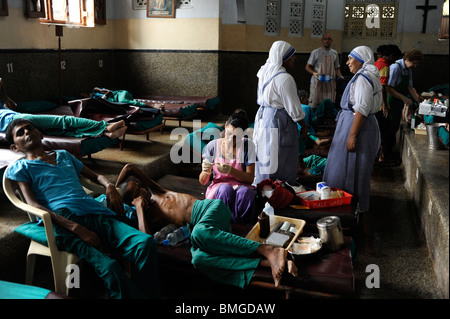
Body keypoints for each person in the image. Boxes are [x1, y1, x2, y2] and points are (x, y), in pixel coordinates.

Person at [5, 119, 159, 299]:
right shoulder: (21, 167)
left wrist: (109, 186)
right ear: (15, 147)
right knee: (110, 267)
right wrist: (76, 228)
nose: (27, 133)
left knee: (145, 243)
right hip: (64, 220)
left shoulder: (63, 155)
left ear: (39, 133)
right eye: (20, 133)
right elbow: (33, 205)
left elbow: (96, 176)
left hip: (94, 211)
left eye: (29, 129)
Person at [115, 163, 298, 289]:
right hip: (206, 232)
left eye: (139, 187)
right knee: (199, 260)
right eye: (136, 193)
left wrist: (112, 188)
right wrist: (138, 208)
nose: (141, 191)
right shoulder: (149, 218)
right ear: (132, 201)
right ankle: (267, 262)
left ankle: (267, 250)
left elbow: (129, 167)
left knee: (198, 233)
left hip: (211, 209)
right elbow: (146, 240)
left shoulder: (157, 191)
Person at [323, 46, 382, 212]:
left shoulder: (363, 78)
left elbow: (362, 108)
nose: (348, 62)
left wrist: (352, 135)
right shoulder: (366, 76)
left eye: (351, 58)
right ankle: (352, 203)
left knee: (348, 166)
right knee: (355, 166)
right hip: (357, 124)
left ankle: (347, 205)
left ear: (361, 61)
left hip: (358, 126)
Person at [0, 77, 127, 139]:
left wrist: (5, 97)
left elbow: (2, 84)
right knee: (60, 127)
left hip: (18, 119)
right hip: (15, 125)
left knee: (62, 124)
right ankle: (104, 129)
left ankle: (104, 128)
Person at [254, 40, 308, 186]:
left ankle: (263, 186)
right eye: (291, 56)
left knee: (266, 153)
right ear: (282, 57)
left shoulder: (264, 72)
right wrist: (303, 125)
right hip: (279, 120)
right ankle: (280, 189)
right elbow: (294, 108)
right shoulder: (285, 78)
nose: (294, 58)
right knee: (280, 154)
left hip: (265, 117)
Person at [199, 109, 257, 224]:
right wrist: (206, 171)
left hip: (241, 186)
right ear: (225, 125)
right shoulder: (212, 146)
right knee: (225, 190)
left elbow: (250, 179)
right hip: (219, 187)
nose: (231, 139)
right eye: (229, 134)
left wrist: (231, 170)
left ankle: (239, 226)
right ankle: (223, 223)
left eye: (236, 137)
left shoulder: (248, 145)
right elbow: (203, 181)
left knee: (246, 193)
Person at [387, 49, 424, 160]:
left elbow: (409, 87)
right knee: (388, 127)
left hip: (398, 101)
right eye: (414, 63)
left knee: (394, 126)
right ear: (407, 59)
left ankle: (390, 152)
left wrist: (417, 99)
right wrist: (404, 98)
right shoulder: (395, 68)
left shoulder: (408, 70)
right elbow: (388, 88)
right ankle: (385, 154)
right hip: (390, 100)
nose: (415, 66)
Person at [374, 45, 403, 166]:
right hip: (380, 107)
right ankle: (382, 158)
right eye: (394, 58)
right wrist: (385, 104)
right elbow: (383, 88)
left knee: (379, 132)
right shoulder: (385, 67)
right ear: (391, 56)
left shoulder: (376, 63)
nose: (394, 61)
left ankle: (379, 156)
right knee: (384, 133)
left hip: (374, 104)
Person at [305, 33, 343, 109]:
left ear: (331, 41)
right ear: (322, 40)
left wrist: (341, 76)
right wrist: (314, 73)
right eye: (325, 39)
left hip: (330, 84)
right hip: (317, 83)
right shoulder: (316, 52)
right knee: (314, 106)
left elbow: (336, 68)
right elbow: (307, 67)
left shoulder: (334, 53)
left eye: (329, 39)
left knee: (328, 107)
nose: (327, 41)